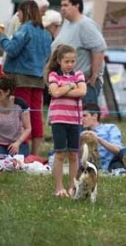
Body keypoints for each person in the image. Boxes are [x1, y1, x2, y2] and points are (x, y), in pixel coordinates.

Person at [0, 0, 52, 156]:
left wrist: (2, 37)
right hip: (38, 78)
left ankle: (22, 152)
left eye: (19, 11)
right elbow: (48, 56)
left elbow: (11, 50)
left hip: (21, 78)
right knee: (35, 114)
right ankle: (34, 154)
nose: (17, 14)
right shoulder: (46, 33)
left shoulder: (25, 29)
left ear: (25, 12)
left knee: (22, 115)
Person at [45, 44, 87, 198]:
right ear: (59, 61)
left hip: (75, 120)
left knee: (73, 155)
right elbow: (54, 93)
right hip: (59, 120)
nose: (70, 65)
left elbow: (82, 91)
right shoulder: (53, 75)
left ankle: (72, 187)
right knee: (60, 154)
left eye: (72, 61)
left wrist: (62, 90)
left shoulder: (79, 75)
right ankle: (59, 188)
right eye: (66, 61)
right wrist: (70, 85)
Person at [51, 0, 107, 105]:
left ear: (77, 6)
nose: (62, 9)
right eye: (61, 6)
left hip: (83, 83)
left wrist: (94, 76)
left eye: (66, 5)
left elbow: (99, 48)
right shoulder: (67, 23)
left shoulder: (85, 24)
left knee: (84, 119)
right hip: (65, 82)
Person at [82, 103, 126, 171]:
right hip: (111, 164)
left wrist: (98, 139)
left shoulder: (110, 128)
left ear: (95, 116)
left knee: (125, 152)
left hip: (121, 155)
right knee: (117, 167)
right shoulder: (83, 135)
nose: (82, 119)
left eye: (84, 116)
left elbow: (117, 150)